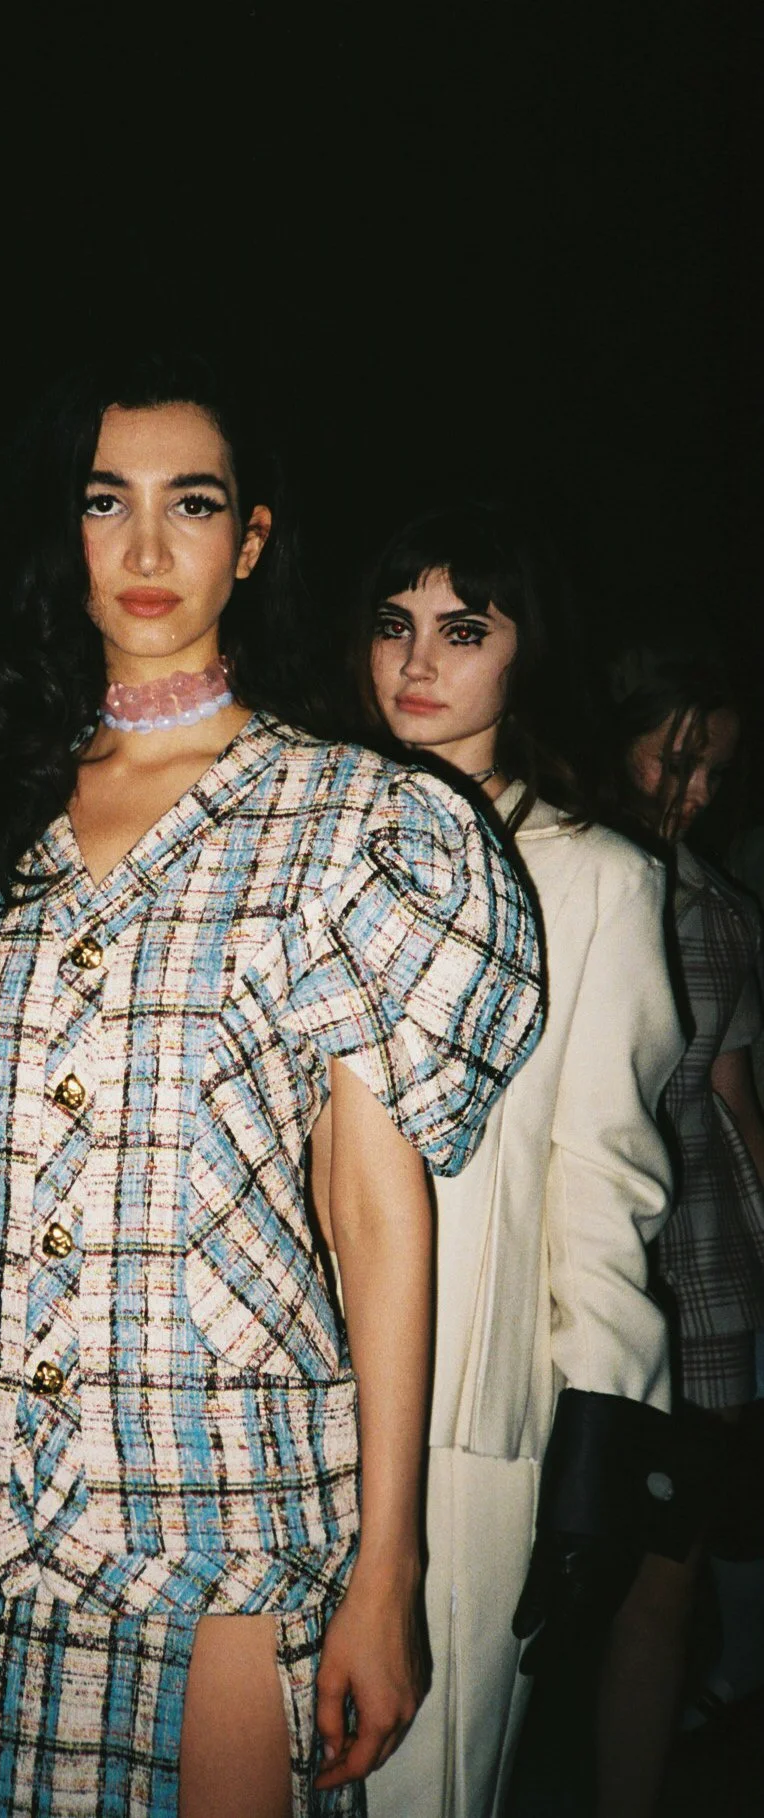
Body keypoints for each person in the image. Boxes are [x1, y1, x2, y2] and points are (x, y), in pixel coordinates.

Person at [0, 357, 543, 1818]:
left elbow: (375, 1210)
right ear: (59, 530)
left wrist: (386, 1567)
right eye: (105, 502)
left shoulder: (350, 821)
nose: (146, 551)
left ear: (250, 538)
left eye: (190, 505)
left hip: (227, 1495)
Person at [319, 504, 685, 1818]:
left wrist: (598, 1429)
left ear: (525, 653)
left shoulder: (594, 880)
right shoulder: (309, 836)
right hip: (271, 1396)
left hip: (468, 1411)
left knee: (426, 1781)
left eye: (463, 630)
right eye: (395, 625)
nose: (417, 661)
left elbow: (607, 1175)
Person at [595, 645, 764, 1818]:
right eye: (677, 760)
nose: (694, 791)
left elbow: (735, 1104)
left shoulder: (720, 907)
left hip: (701, 1277)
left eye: (716, 774)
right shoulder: (572, 873)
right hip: (588, 1260)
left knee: (672, 1560)